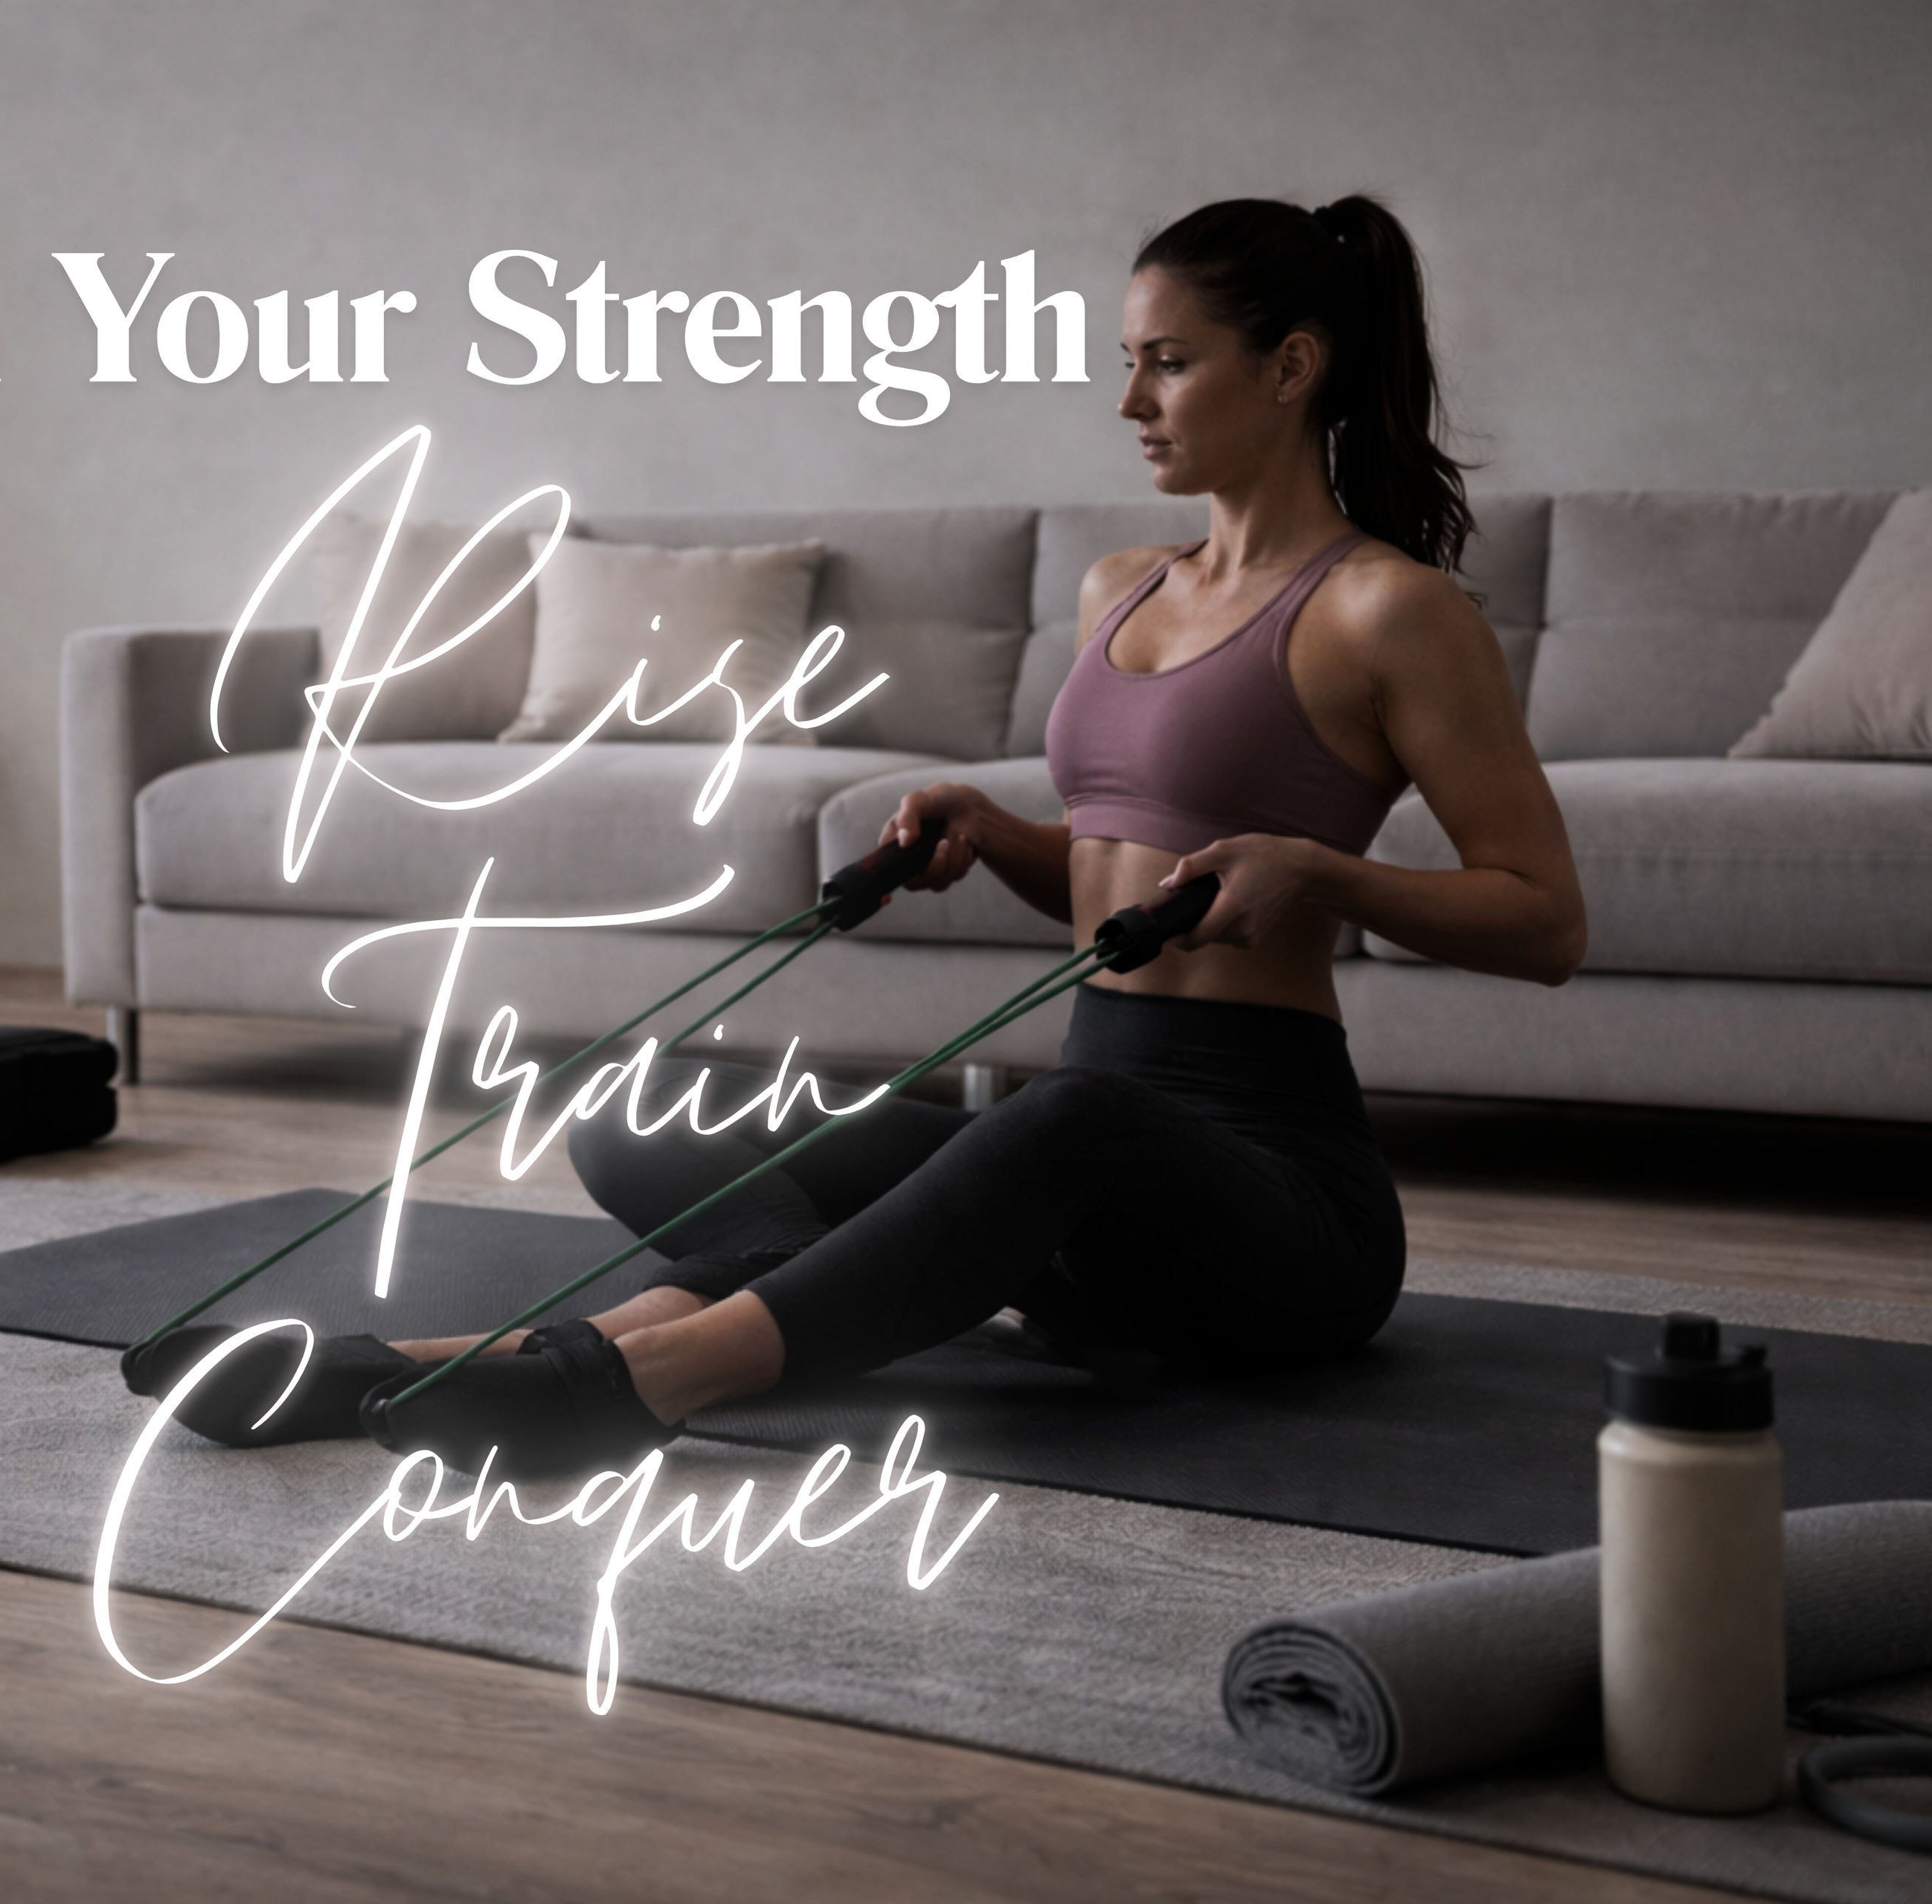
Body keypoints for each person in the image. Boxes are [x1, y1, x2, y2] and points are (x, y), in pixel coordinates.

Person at [143, 196, 1587, 1476]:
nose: (1131, 399)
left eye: (1169, 359)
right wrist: (996, 830)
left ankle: (642, 1382)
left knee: (1052, 1119)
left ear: (1291, 365)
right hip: (1083, 1215)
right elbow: (1121, 888)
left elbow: (1544, 918)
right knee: (647, 1115)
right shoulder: (1122, 589)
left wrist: (1320, 868)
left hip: (1278, 1221)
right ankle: (453, 1358)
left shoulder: (1389, 610)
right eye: (1127, 360)